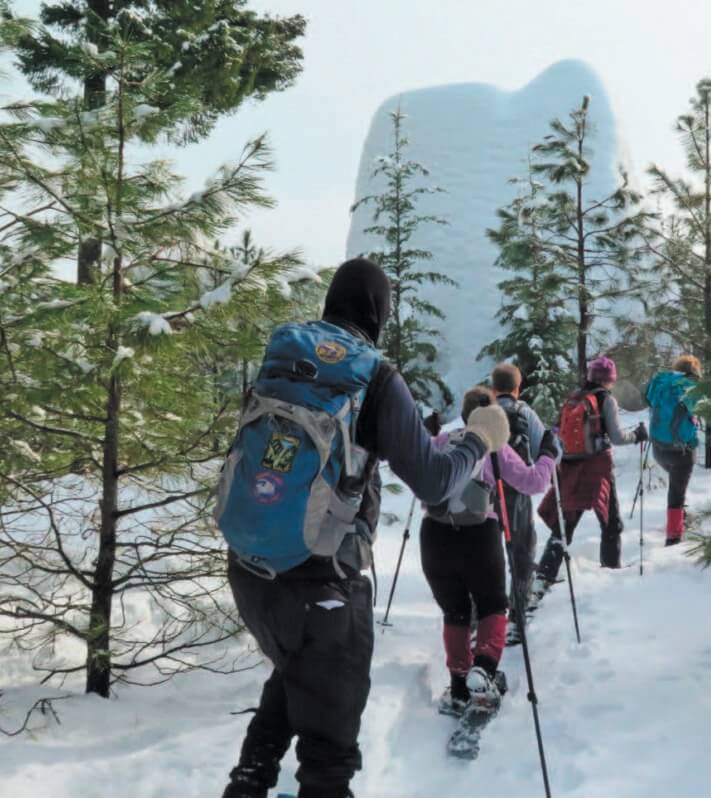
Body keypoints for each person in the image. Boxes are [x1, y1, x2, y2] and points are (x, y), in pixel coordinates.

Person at [222, 258, 512, 798]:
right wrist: (479, 439)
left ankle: (248, 781)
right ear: (380, 312)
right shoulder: (374, 376)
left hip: (251, 569)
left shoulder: (284, 349)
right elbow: (433, 480)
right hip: (324, 584)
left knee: (291, 675)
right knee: (330, 756)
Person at [421, 386, 559, 717]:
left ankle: (457, 684)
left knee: (454, 611)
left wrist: (424, 437)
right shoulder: (495, 449)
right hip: (479, 536)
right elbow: (533, 483)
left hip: (434, 535)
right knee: (493, 605)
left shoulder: (442, 443)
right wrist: (548, 454)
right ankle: (483, 668)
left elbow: (418, 476)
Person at [534, 356, 646, 590]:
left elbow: (557, 431)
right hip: (597, 467)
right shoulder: (606, 400)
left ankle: (544, 576)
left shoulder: (574, 398)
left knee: (565, 525)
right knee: (610, 521)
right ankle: (611, 571)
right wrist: (636, 435)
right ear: (610, 380)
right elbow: (616, 437)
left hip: (571, 467)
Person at [490, 363, 547, 645]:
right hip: (516, 492)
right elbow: (540, 451)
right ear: (517, 388)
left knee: (487, 553)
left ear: (492, 388)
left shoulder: (481, 413)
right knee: (521, 552)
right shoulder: (525, 413)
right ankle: (516, 616)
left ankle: (483, 617)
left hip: (484, 492)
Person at [645, 355, 702, 545]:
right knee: (676, 493)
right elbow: (699, 409)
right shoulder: (689, 386)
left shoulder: (660, 381)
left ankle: (681, 517)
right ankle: (674, 536)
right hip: (682, 451)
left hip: (658, 448)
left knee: (676, 486)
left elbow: (648, 400)